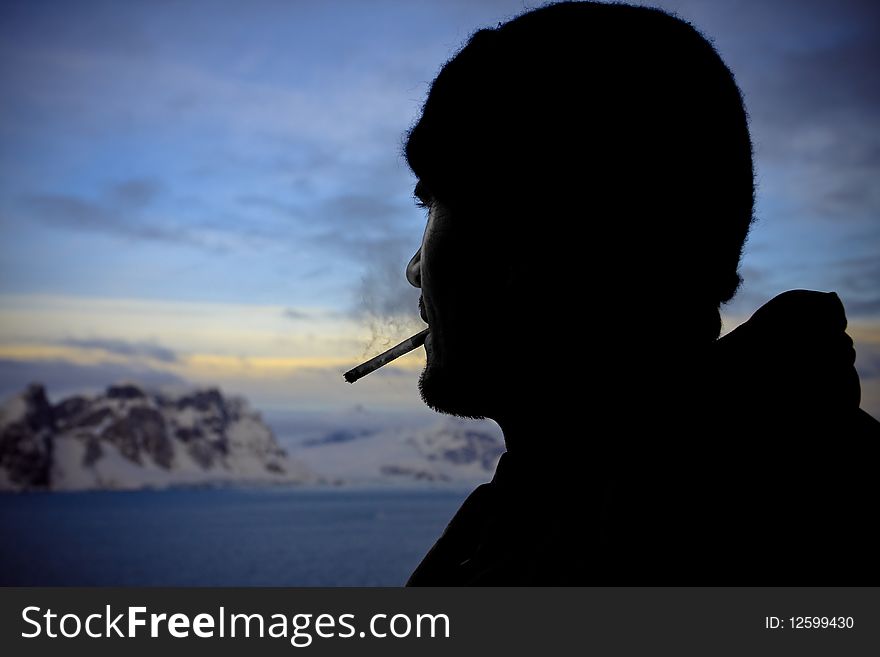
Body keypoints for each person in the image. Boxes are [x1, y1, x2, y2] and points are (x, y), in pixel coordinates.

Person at [400, 1, 879, 585]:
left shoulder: (646, 555)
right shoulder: (550, 515)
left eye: (432, 204)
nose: (415, 268)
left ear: (526, 239)